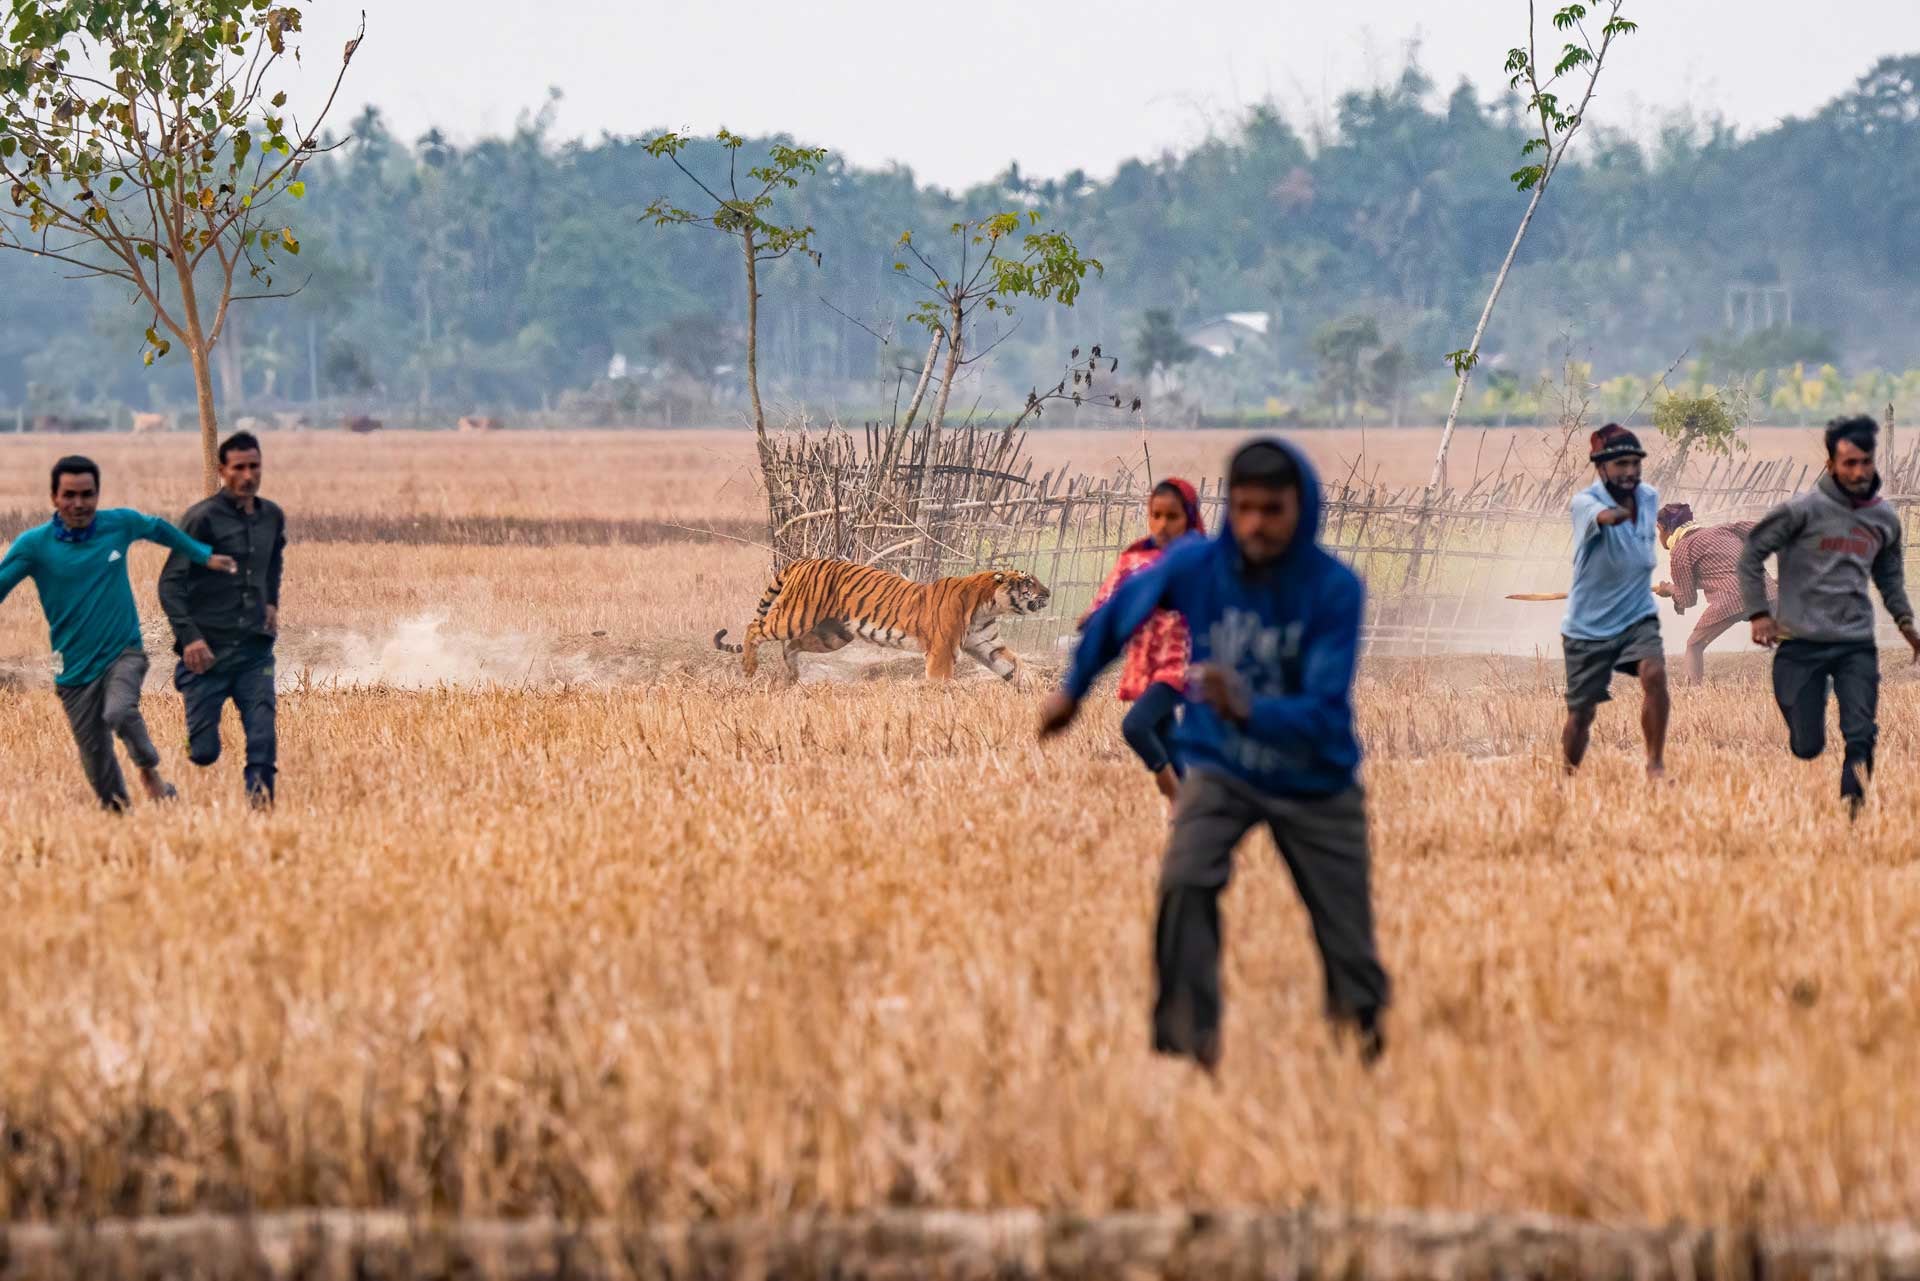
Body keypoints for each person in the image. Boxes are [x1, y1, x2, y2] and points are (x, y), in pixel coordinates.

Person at [1038, 438, 1389, 1072]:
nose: (1255, 524)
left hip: (1316, 777)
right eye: (1245, 508)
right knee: (1183, 883)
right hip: (1222, 767)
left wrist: (1250, 706)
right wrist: (1072, 689)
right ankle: (1190, 1042)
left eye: (1272, 510)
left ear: (1301, 511)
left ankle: (1359, 1038)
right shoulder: (1201, 565)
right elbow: (1121, 613)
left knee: (1344, 928)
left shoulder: (1334, 589)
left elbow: (1325, 710)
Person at [0, 455, 235, 811]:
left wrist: (203, 556)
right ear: (54, 498)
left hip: (123, 652)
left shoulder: (118, 524)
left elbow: (157, 528)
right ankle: (120, 822)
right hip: (73, 670)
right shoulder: (34, 546)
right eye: (69, 495)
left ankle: (148, 770)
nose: (78, 504)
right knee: (96, 760)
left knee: (119, 711)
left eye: (87, 494)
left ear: (97, 494)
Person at [1737, 414, 1920, 814]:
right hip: (1800, 643)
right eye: (1849, 463)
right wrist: (1758, 614)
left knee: (1861, 732)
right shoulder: (1801, 511)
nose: (1859, 471)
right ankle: (1809, 713)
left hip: (1855, 642)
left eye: (1865, 462)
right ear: (1831, 465)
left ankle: (1853, 810)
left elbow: (1889, 578)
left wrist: (1906, 623)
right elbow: (1751, 552)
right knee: (1807, 746)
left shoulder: (1883, 518)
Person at [159, 430, 288, 808]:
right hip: (207, 654)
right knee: (203, 752)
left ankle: (261, 809)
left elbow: (272, 563)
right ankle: (192, 706)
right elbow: (170, 584)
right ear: (222, 471)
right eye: (239, 468)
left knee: (262, 735)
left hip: (254, 650)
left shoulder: (271, 517)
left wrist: (271, 603)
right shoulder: (201, 520)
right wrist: (190, 639)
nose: (248, 475)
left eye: (255, 466)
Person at [1080, 477, 1204, 811]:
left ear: (1189, 518)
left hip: (1182, 662)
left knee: (1135, 726)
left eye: (1173, 516)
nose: (1163, 524)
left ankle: (1176, 796)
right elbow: (1110, 598)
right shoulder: (1134, 558)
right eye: (1156, 515)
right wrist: (1094, 618)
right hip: (1145, 661)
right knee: (1166, 734)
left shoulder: (1201, 561)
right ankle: (1190, 809)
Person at [1560, 424, 1669, 780]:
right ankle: (1568, 775)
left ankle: (1654, 765)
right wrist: (1616, 515)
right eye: (1621, 464)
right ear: (1601, 467)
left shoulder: (1649, 497)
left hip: (1638, 615)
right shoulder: (1585, 503)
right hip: (1588, 626)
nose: (1630, 472)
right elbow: (1602, 518)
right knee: (1582, 713)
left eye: (1635, 463)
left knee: (1654, 675)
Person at [1654, 503, 1777, 684]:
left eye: (1658, 530)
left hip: (1732, 599)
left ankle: (1693, 696)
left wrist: (1669, 589)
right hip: (1765, 589)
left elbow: (1686, 599)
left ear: (1665, 528)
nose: (1659, 536)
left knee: (1694, 645)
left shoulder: (1681, 552)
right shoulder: (1724, 529)